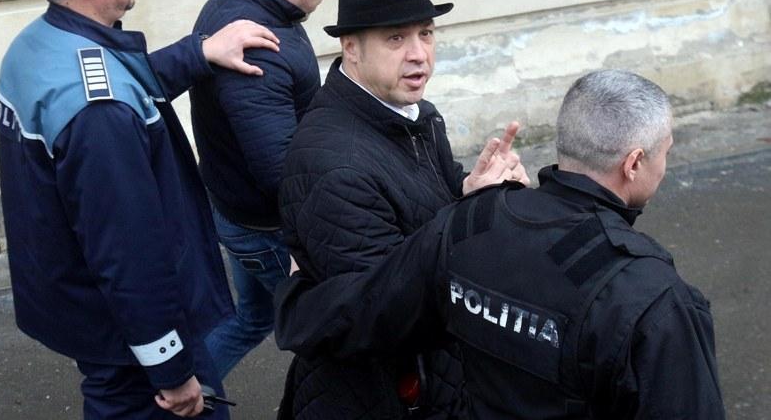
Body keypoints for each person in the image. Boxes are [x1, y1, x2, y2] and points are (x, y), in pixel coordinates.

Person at [276, 69, 726, 419]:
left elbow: (367, 309)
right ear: (634, 162)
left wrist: (296, 296)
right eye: (666, 151)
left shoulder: (468, 223)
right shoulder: (651, 297)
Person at [0, 0, 280, 419]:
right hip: (133, 340)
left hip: (92, 320)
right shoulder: (99, 113)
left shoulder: (38, 47)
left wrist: (198, 53)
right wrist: (170, 369)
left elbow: (119, 78)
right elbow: (129, 253)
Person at [276, 0, 528, 419]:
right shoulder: (333, 166)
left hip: (439, 375)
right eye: (396, 38)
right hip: (381, 394)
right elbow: (388, 311)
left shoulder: (416, 114)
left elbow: (433, 208)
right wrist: (477, 214)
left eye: (426, 34)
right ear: (351, 48)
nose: (419, 54)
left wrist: (474, 189)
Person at [188, 0, 340, 379]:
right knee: (327, 335)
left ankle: (183, 394)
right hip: (264, 227)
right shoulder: (258, 47)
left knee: (252, 319)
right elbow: (279, 169)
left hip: (236, 211)